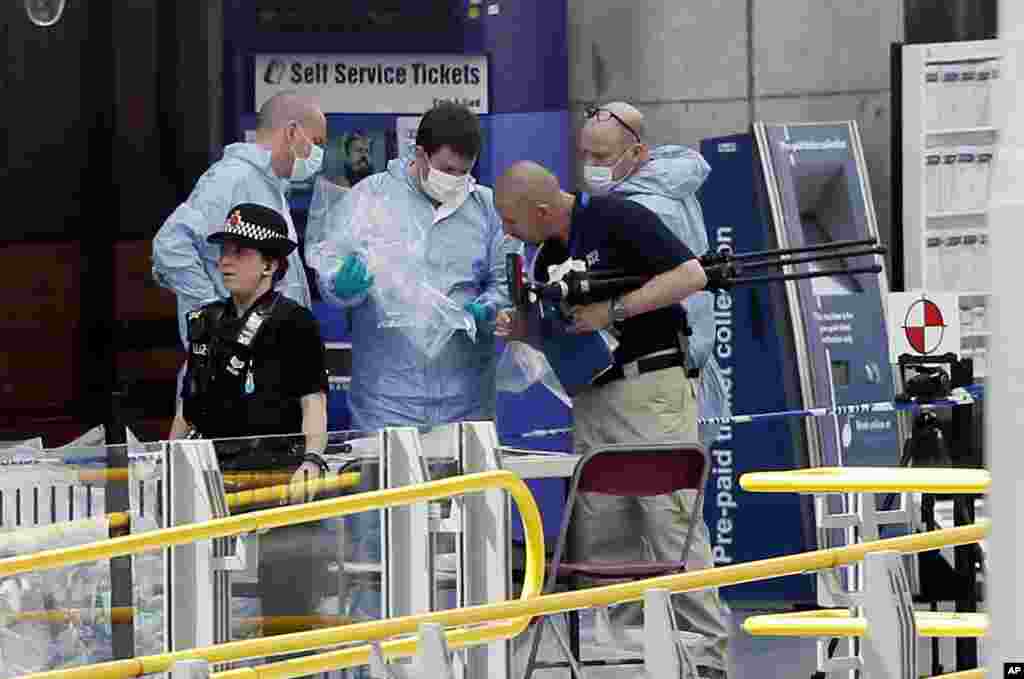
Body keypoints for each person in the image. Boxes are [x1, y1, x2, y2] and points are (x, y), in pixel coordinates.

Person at [494, 161, 732, 679]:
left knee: (669, 520)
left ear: (539, 209)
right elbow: (566, 332)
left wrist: (615, 311)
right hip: (592, 397)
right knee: (602, 531)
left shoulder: (616, 217)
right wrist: (521, 330)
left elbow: (691, 275)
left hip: (650, 386)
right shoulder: (545, 257)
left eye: (511, 221)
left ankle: (707, 657)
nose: (507, 232)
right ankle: (622, 655)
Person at [306, 101, 521, 432]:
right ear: (420, 154)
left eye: (465, 172)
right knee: (390, 483)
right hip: (386, 400)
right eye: (447, 170)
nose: (456, 180)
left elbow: (507, 281)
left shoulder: (487, 208)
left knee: (467, 485)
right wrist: (340, 285)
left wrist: (490, 307)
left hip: (467, 401)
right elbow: (330, 268)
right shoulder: (371, 197)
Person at [170, 202, 332, 634]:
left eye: (240, 252)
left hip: (277, 472)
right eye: (224, 250)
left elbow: (312, 399)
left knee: (287, 600)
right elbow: (189, 405)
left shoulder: (294, 322)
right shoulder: (206, 320)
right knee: (195, 594)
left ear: (270, 265)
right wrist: (166, 463)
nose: (225, 260)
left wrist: (313, 459)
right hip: (213, 475)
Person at [578, 101, 730, 451]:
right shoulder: (670, 182)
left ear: (637, 152)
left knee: (662, 497)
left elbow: (675, 286)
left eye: (601, 157)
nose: (591, 167)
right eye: (585, 155)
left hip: (661, 373)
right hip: (685, 367)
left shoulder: (645, 206)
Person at [153, 90, 326, 350]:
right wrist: (212, 313)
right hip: (233, 366)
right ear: (292, 133)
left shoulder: (267, 185)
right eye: (317, 142)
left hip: (263, 364)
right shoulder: (233, 178)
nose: (319, 154)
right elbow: (170, 245)